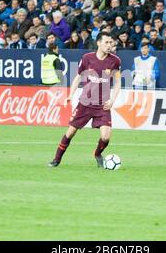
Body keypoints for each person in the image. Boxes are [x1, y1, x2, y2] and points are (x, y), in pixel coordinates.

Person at [49, 32, 121, 168]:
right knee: (70, 132)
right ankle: (56, 159)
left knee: (106, 137)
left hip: (102, 105)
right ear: (98, 43)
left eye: (111, 42)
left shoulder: (115, 61)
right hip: (85, 103)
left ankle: (97, 154)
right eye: (106, 42)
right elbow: (78, 77)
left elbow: (117, 82)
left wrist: (112, 100)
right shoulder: (87, 58)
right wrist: (70, 95)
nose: (109, 45)